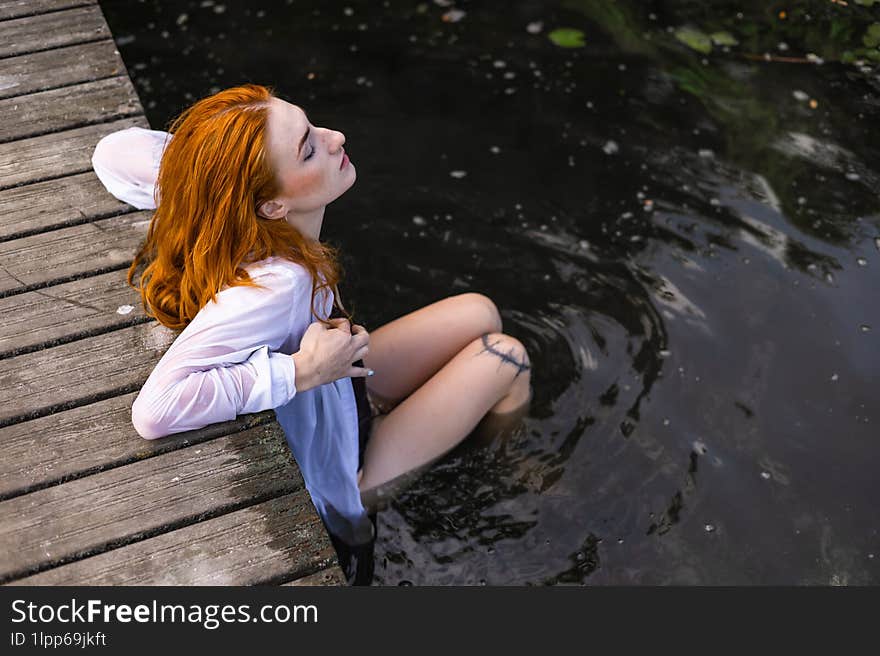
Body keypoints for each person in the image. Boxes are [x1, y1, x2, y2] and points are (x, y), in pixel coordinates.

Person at [91, 84, 533, 585]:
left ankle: (447, 423)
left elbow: (112, 152)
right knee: (506, 358)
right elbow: (155, 410)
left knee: (479, 312)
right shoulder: (275, 288)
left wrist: (200, 165)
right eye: (307, 147)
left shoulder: (223, 205)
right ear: (273, 205)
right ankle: (510, 470)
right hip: (342, 467)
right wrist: (300, 371)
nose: (335, 136)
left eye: (310, 124)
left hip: (343, 392)